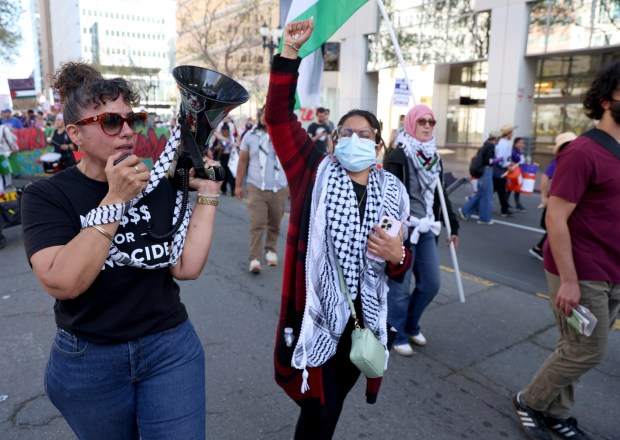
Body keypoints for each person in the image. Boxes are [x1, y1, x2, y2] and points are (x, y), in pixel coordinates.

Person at [20, 61, 223, 439]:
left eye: (133, 119)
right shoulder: (46, 196)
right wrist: (115, 199)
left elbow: (186, 267)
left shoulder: (155, 183)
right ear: (75, 134)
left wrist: (208, 195)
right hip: (90, 359)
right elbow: (63, 281)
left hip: (169, 348)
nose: (128, 131)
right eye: (111, 122)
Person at [267, 18, 412, 439]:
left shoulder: (393, 193)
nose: (352, 138)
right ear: (332, 142)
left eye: (363, 134)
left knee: (331, 406)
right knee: (319, 410)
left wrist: (396, 256)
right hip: (316, 318)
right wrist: (290, 54)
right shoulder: (312, 172)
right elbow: (277, 119)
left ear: (378, 145)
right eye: (344, 133)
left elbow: (402, 265)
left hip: (363, 323)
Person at [512, 60, 620, 440]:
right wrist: (569, 282)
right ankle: (530, 401)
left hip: (613, 271)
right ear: (607, 99)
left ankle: (557, 412)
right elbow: (555, 219)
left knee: (575, 346)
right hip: (580, 270)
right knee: (587, 350)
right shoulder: (583, 151)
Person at [383, 104, 460, 356]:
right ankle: (398, 333)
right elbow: (388, 196)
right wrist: (390, 233)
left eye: (432, 122)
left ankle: (411, 324)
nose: (427, 125)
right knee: (400, 288)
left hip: (427, 227)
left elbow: (441, 195)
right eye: (422, 121)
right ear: (411, 124)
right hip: (404, 230)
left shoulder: (434, 156)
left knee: (431, 284)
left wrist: (453, 225)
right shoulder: (398, 154)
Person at [235, 107, 289, 274]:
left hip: (279, 187)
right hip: (256, 187)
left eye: (271, 113)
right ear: (260, 116)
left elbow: (291, 162)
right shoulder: (250, 136)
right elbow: (243, 161)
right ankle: (255, 258)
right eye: (264, 114)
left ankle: (271, 249)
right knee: (257, 224)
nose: (267, 116)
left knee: (275, 222)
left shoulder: (285, 136)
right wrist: (238, 185)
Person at [529, 132, 577, 262]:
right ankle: (541, 249)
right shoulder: (560, 159)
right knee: (556, 227)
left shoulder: (572, 159)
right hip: (557, 200)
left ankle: (541, 249)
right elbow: (545, 177)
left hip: (566, 199)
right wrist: (544, 198)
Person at [458, 130, 501, 225]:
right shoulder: (491, 146)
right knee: (487, 195)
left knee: (481, 194)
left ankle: (465, 211)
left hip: (481, 172)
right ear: (496, 138)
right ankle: (484, 218)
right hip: (486, 171)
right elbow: (488, 161)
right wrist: (498, 160)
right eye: (499, 138)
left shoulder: (484, 146)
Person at [494, 124, 517, 217]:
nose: (512, 134)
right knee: (499, 190)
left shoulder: (502, 142)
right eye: (511, 133)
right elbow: (501, 158)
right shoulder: (504, 144)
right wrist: (507, 167)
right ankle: (504, 209)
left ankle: (505, 209)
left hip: (499, 169)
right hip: (499, 169)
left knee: (499, 190)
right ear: (507, 133)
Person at [211, 122, 238, 195]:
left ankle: (233, 190)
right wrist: (217, 148)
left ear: (229, 131)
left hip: (230, 157)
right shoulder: (219, 138)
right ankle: (223, 189)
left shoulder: (232, 138)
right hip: (222, 157)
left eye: (226, 131)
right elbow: (213, 148)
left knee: (231, 174)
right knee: (223, 173)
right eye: (223, 131)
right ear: (222, 131)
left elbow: (237, 147)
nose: (225, 133)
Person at [507, 136, 526, 212]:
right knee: (510, 188)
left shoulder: (520, 152)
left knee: (516, 188)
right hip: (513, 173)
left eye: (522, 143)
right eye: (520, 143)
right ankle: (507, 204)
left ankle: (517, 204)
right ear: (515, 143)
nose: (522, 144)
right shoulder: (512, 151)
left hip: (518, 173)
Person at [0, 123, 18, 190]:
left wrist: (13, 147)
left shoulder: (4, 128)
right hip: (2, 154)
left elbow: (10, 140)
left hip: (4, 154)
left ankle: (8, 185)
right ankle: (3, 187)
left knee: (6, 170)